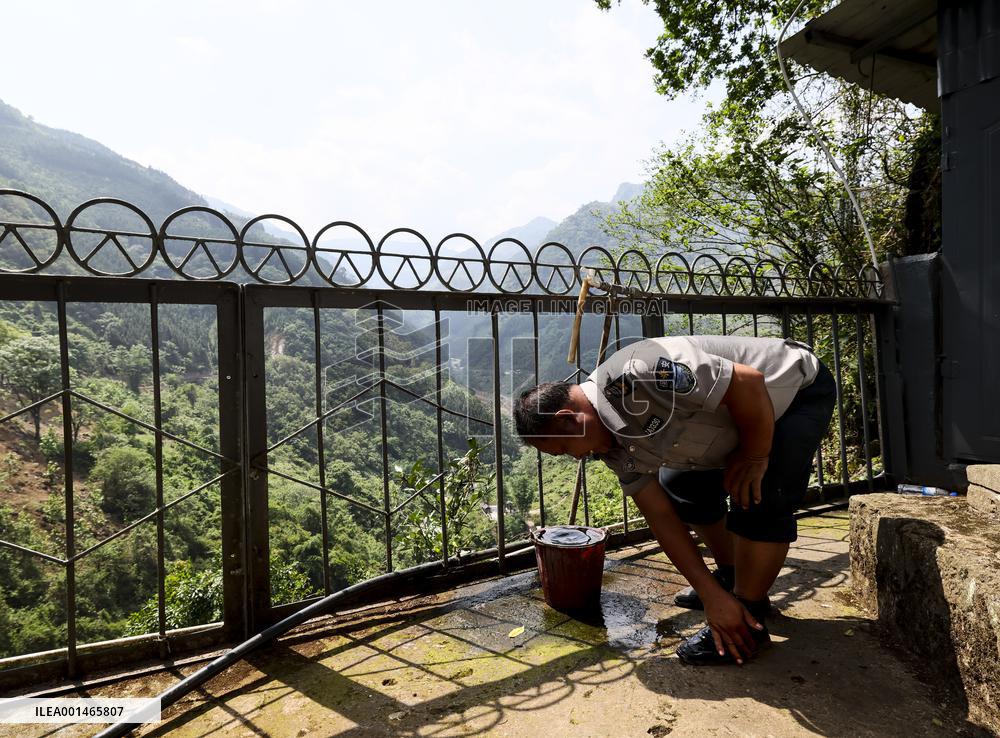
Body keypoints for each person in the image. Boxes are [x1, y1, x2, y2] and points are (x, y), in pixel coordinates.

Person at [513, 335, 836, 665]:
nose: (576, 457)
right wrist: (710, 593)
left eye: (566, 449)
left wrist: (754, 455)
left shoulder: (644, 371)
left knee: (759, 493)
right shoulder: (611, 447)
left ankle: (747, 617)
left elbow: (747, 383)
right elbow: (660, 516)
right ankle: (728, 577)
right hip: (732, 427)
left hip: (791, 395)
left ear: (570, 418)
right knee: (681, 486)